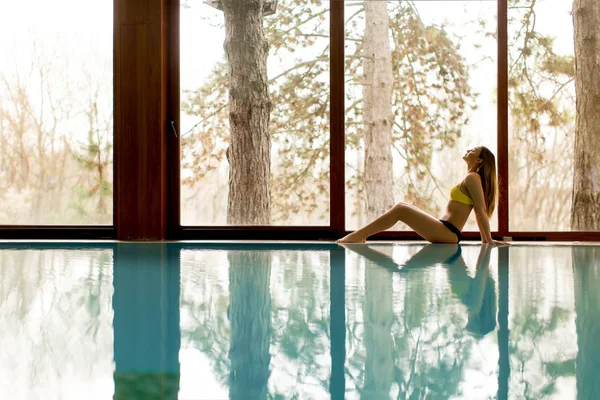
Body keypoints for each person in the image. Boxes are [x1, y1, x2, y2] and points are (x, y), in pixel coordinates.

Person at [337, 146, 509, 245]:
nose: (468, 150)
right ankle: (360, 235)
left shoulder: (473, 178)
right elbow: (479, 211)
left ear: (479, 160)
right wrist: (486, 240)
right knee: (402, 207)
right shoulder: (471, 178)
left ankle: (359, 235)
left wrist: (488, 240)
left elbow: (480, 210)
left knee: (400, 209)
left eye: (473, 150)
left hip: (448, 232)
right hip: (446, 229)